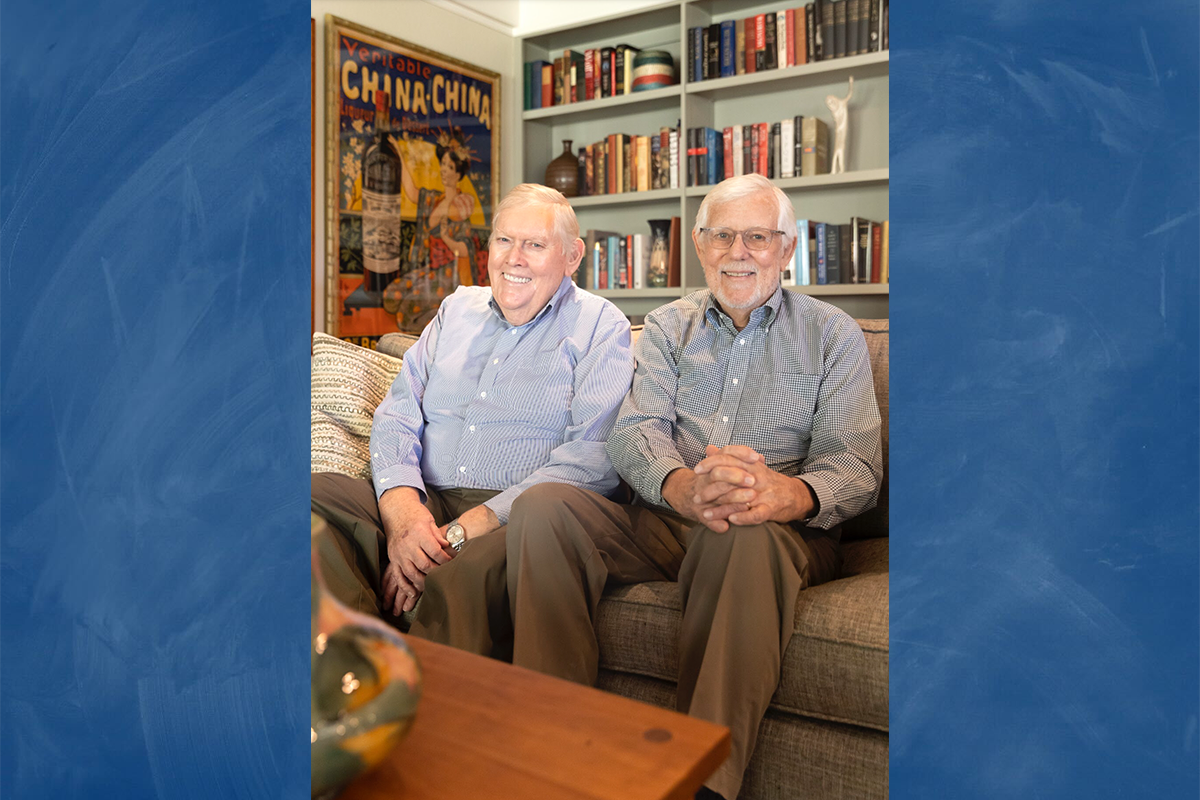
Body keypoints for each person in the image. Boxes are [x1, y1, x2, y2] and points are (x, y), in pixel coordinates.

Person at [412, 173, 882, 800]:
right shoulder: (666, 326)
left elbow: (856, 465)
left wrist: (781, 494)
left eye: (757, 237)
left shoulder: (832, 335)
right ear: (698, 243)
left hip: (776, 529)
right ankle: (553, 757)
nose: (737, 252)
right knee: (547, 506)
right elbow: (634, 432)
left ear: (787, 246)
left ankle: (699, 784)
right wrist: (683, 486)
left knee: (742, 533)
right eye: (722, 236)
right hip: (662, 517)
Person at [312, 183, 634, 631]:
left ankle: (435, 690)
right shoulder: (455, 310)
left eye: (535, 245)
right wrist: (404, 512)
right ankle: (361, 668)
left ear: (572, 256)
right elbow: (397, 414)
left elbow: (594, 457)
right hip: (424, 498)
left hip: (512, 516)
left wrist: (469, 527)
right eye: (504, 240)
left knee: (464, 573)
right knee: (310, 502)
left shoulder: (599, 325)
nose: (514, 258)